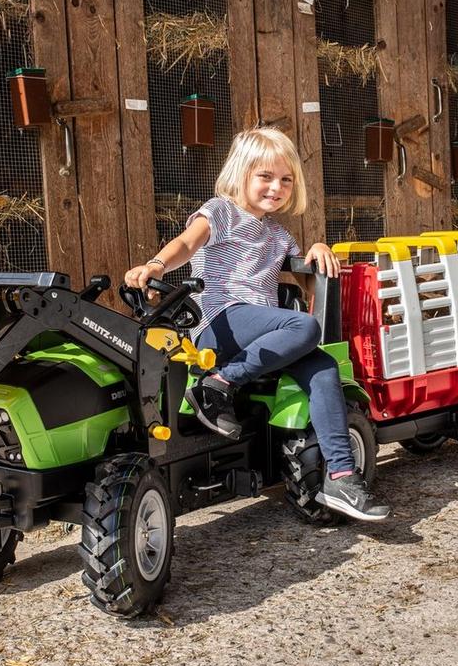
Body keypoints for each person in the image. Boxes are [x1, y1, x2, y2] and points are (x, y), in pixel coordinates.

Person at [124, 127, 390, 523]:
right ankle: (218, 385)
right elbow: (186, 243)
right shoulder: (221, 211)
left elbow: (307, 283)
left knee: (323, 368)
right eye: (265, 176)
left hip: (261, 335)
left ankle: (341, 476)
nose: (276, 187)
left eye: (285, 180)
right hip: (220, 322)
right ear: (242, 173)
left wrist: (316, 249)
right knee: (304, 328)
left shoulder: (279, 236)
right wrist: (157, 265)